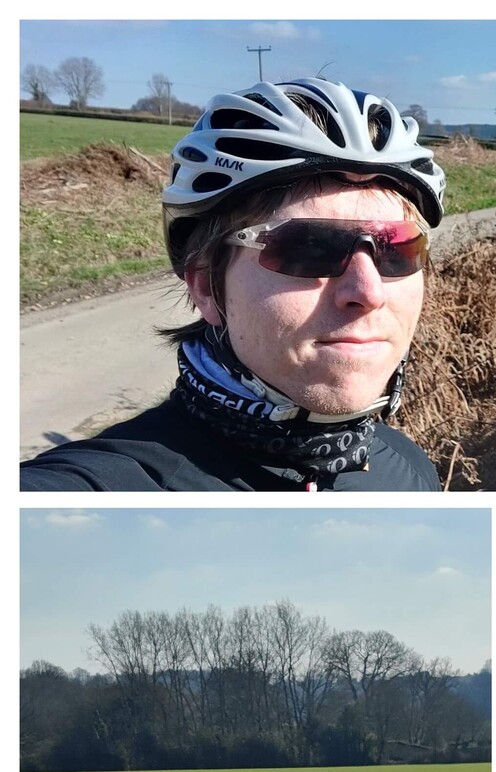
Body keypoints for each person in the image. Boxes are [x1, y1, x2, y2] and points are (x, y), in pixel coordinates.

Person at [21, 78, 446, 491]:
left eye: (398, 249)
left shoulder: (410, 469)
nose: (369, 292)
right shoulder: (93, 487)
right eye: (309, 247)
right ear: (205, 285)